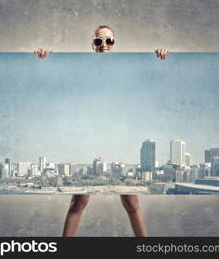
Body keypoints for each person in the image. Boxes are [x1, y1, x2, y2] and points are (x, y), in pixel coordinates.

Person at [34, 25, 169, 237]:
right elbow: (60, 80)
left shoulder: (128, 69)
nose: (104, 45)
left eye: (109, 40)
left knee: (132, 202)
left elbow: (149, 80)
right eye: (99, 41)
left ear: (115, 43)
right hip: (89, 138)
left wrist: (160, 55)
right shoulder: (81, 69)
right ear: (92, 44)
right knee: (78, 202)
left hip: (119, 140)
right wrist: (46, 56)